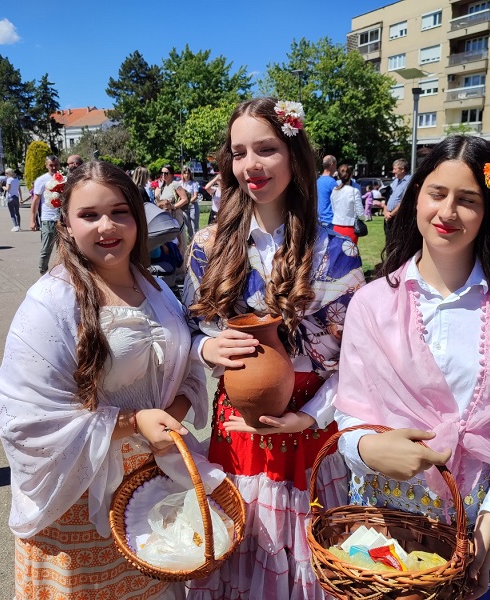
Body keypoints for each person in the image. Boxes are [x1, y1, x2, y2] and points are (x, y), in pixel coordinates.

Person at [334, 136, 490, 600]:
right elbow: (349, 413)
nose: (447, 212)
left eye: (468, 200)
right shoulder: (370, 303)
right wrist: (369, 448)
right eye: (437, 193)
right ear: (417, 195)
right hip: (379, 538)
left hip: (478, 538)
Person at [0, 160, 211, 599]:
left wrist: (169, 418)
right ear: (67, 225)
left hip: (151, 486)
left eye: (120, 212)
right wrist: (133, 423)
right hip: (79, 489)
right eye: (89, 215)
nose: (107, 226)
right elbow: (26, 418)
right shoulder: (49, 303)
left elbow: (184, 363)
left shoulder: (156, 288)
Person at [183, 97, 365, 599]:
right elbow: (189, 327)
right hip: (237, 419)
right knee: (238, 544)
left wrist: (311, 415)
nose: (251, 165)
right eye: (240, 153)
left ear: (293, 155)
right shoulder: (210, 242)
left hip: (308, 423)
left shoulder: (334, 248)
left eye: (266, 149)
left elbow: (358, 358)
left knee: (303, 554)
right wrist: (206, 349)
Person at [31, 155, 62, 275]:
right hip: (48, 219)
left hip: (62, 219)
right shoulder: (41, 180)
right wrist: (32, 220)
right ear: (46, 165)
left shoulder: (63, 179)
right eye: (51, 165)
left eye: (56, 165)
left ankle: (61, 272)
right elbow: (36, 200)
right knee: (46, 249)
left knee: (63, 249)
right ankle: (43, 271)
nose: (54, 167)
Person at [155, 164, 189, 263]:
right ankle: (174, 267)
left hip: (176, 217)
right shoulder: (163, 186)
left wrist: (174, 207)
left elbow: (185, 199)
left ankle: (183, 270)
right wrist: (157, 195)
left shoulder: (175, 184)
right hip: (166, 218)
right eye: (162, 173)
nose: (163, 175)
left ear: (171, 174)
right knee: (170, 243)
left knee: (180, 243)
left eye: (166, 173)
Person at [330, 164, 365, 244]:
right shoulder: (354, 191)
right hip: (350, 227)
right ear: (350, 175)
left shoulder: (334, 191)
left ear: (339, 176)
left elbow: (334, 209)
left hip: (336, 227)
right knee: (350, 254)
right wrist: (362, 218)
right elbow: (360, 213)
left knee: (338, 254)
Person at [383, 158, 411, 236]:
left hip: (399, 218)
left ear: (402, 170)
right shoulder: (395, 181)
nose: (393, 171)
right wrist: (385, 212)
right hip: (388, 217)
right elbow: (388, 197)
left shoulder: (409, 182)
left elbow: (404, 202)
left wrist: (391, 215)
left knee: (398, 241)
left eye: (395, 169)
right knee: (389, 241)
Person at [316, 154, 337, 228]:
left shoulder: (318, 181)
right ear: (332, 164)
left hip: (318, 219)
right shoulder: (332, 182)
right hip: (329, 220)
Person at [180, 166, 200, 239]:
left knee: (194, 224)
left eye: (188, 173)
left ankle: (197, 240)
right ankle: (191, 239)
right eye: (185, 173)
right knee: (188, 225)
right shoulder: (180, 184)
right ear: (182, 174)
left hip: (193, 206)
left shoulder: (194, 184)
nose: (187, 175)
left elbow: (195, 196)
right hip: (184, 208)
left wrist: (187, 202)